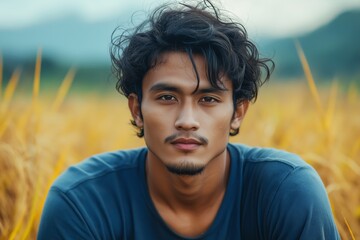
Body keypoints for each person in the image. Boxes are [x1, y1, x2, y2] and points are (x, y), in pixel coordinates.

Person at [38, 0, 340, 239]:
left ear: (237, 113)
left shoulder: (287, 193)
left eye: (208, 99)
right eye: (167, 98)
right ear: (136, 110)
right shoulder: (82, 204)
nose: (187, 120)